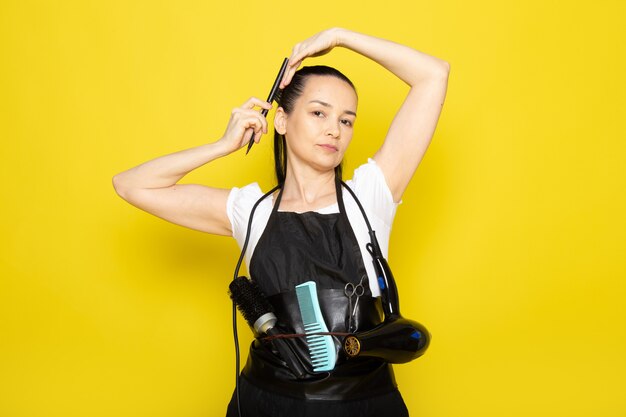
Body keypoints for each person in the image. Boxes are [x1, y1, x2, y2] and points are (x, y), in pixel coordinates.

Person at [113, 27, 449, 417]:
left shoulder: (371, 196)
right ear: (282, 121)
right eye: (319, 112)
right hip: (266, 403)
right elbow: (130, 185)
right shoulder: (248, 210)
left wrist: (340, 37)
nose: (333, 129)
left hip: (364, 404)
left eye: (346, 120)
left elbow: (433, 74)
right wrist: (222, 147)